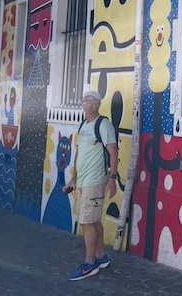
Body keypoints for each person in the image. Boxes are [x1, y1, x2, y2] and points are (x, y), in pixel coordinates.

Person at [64, 90, 119, 281]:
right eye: (85, 100)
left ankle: (89, 264)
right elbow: (79, 153)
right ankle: (101, 257)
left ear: (99, 104)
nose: (88, 103)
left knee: (87, 223)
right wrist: (73, 178)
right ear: (81, 104)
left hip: (95, 181)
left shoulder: (103, 124)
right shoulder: (83, 125)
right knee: (93, 221)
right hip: (83, 181)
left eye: (92, 100)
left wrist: (112, 178)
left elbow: (113, 151)